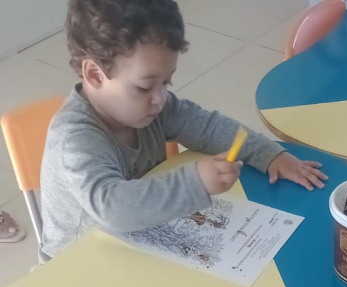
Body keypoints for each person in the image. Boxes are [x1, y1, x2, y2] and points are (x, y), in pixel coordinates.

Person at [40, 0, 328, 261]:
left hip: (132, 243)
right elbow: (112, 207)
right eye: (144, 87)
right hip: (73, 267)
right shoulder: (75, 139)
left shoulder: (154, 107)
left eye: (167, 82)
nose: (160, 98)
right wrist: (195, 183)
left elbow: (208, 127)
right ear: (94, 74)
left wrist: (269, 155)